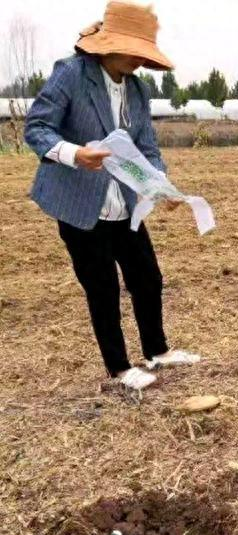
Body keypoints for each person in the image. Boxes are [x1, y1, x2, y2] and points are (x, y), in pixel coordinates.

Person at [24, 1, 200, 392]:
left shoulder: (137, 89)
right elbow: (36, 128)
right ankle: (119, 368)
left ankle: (157, 351)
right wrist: (75, 154)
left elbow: (146, 146)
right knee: (102, 286)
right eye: (135, 50)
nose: (140, 59)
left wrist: (161, 186)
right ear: (111, 45)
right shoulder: (72, 74)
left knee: (147, 277)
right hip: (79, 203)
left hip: (124, 203)